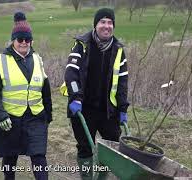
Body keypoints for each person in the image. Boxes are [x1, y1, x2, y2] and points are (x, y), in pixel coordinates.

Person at [64, 8, 129, 179]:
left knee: (110, 148)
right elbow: (71, 73)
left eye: (110, 22)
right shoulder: (81, 45)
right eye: (103, 22)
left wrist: (123, 108)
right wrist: (76, 97)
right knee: (85, 147)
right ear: (96, 25)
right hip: (83, 108)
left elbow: (122, 83)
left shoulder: (119, 50)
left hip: (108, 111)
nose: (106, 26)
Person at [0, 12, 52, 180]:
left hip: (36, 117)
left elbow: (45, 88)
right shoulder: (1, 61)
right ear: (13, 40)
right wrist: (0, 115)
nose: (24, 43)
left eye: (27, 39)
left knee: (39, 156)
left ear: (31, 41)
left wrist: (48, 115)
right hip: (10, 118)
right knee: (10, 157)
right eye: (20, 39)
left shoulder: (38, 59)